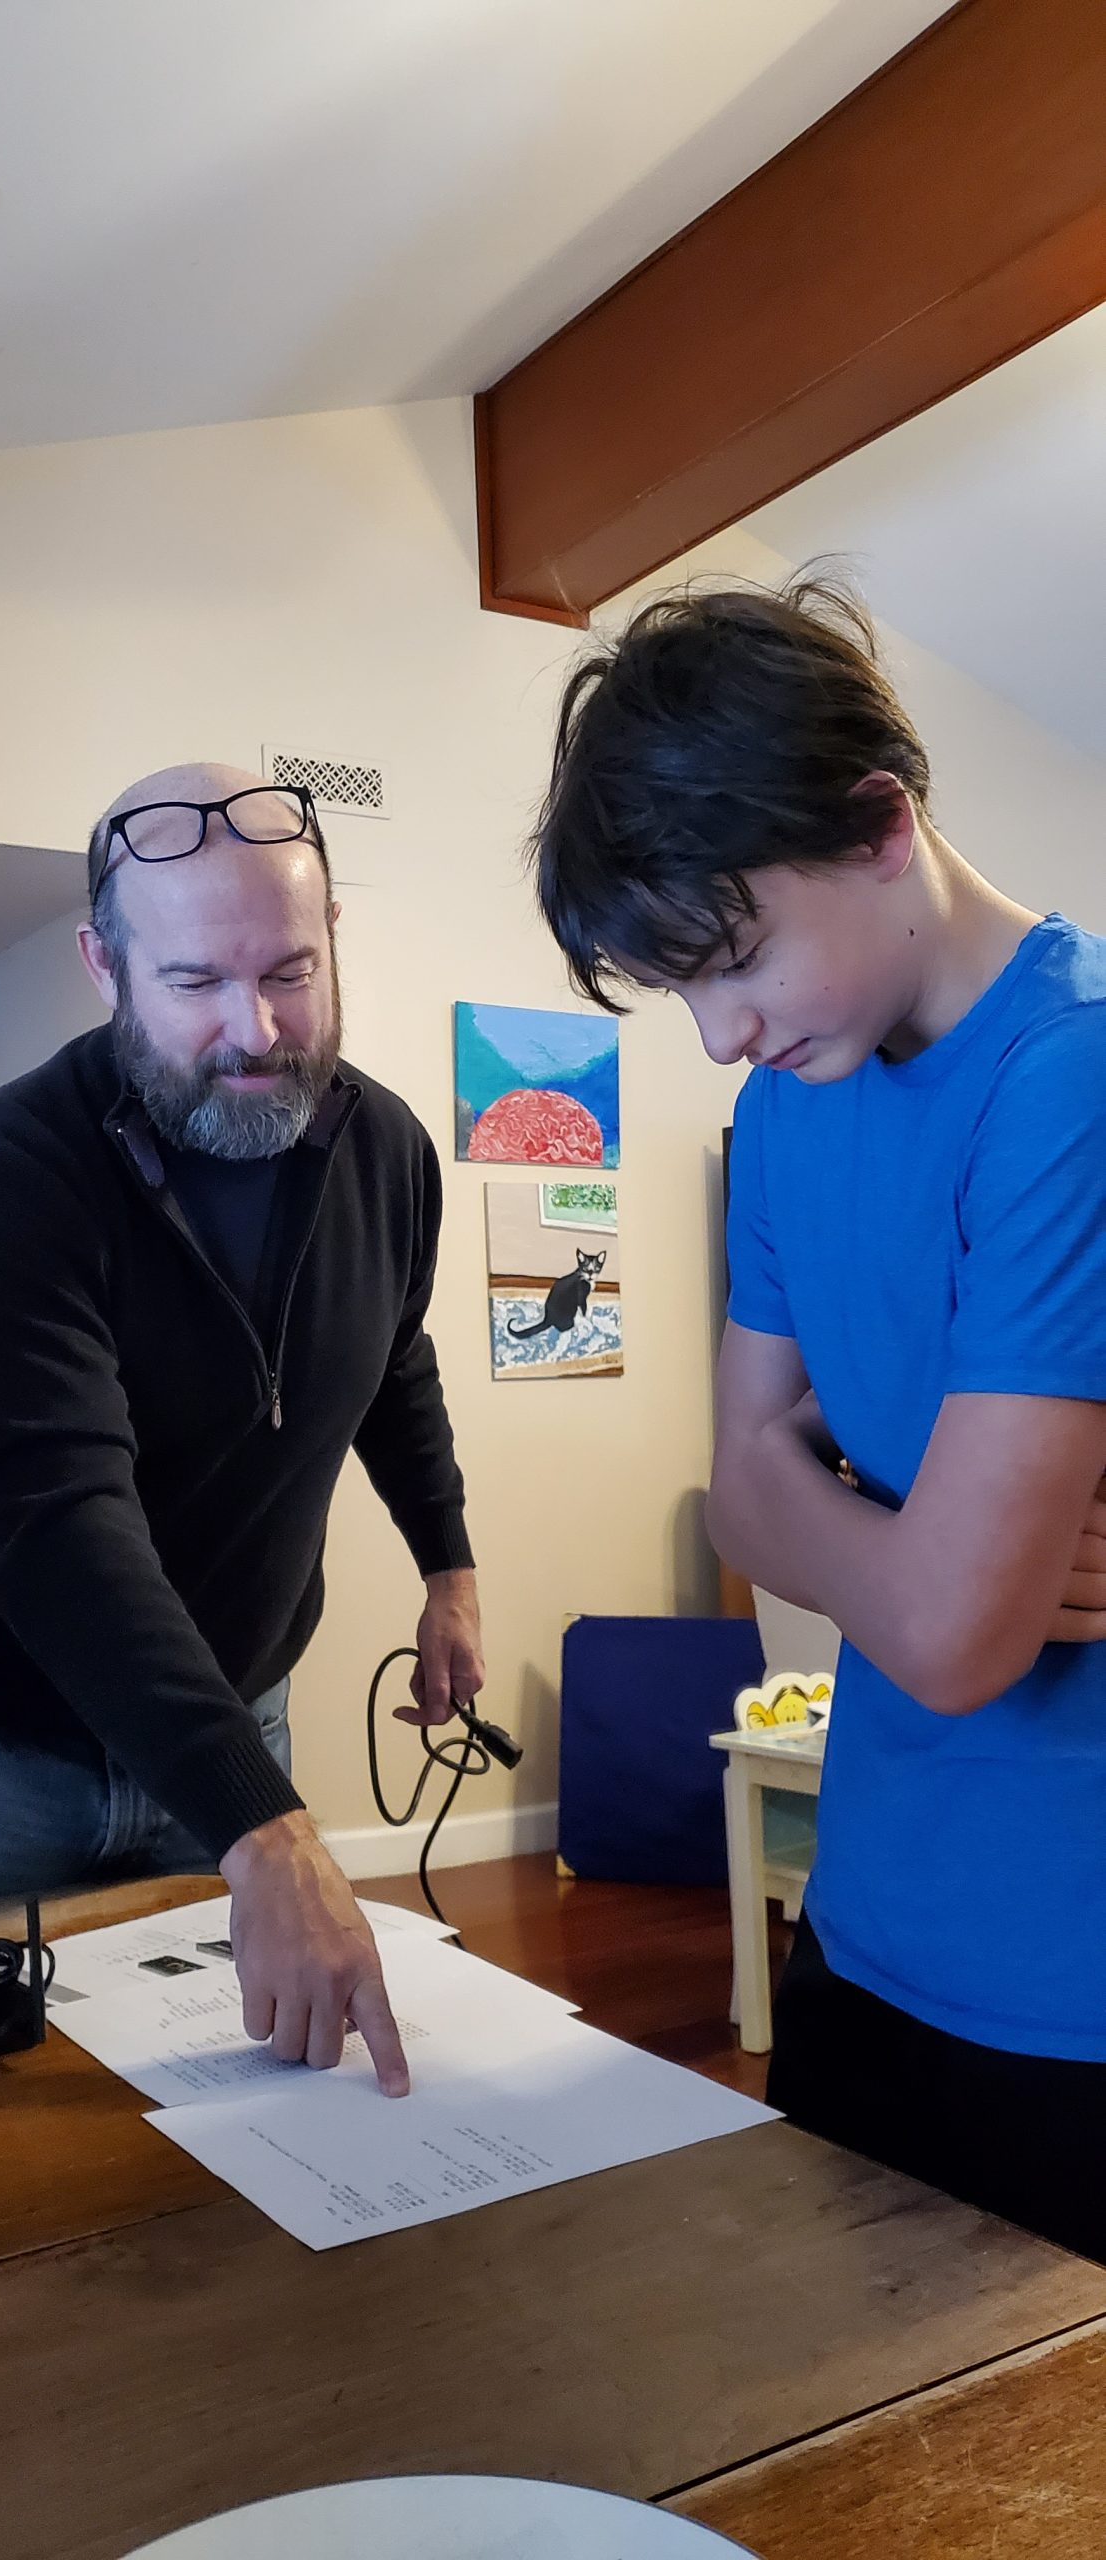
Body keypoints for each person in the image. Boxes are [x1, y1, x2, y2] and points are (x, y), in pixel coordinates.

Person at [530, 575, 1106, 2259]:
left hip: (1070, 1986)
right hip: (863, 1929)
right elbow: (742, 1493)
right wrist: (925, 1557)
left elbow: (953, 1637)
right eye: (683, 991)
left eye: (738, 961)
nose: (724, 1035)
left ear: (878, 826)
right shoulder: (800, 1089)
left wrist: (878, 1538)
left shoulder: (1068, 1074)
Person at [0, 762, 484, 2095]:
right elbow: (61, 1525)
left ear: (333, 936)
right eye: (196, 982)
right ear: (104, 967)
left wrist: (447, 1569)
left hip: (232, 1713)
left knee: (246, 2119)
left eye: (289, 971)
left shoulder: (391, 1153)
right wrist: (266, 1830)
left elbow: (394, 1361)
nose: (255, 1029)